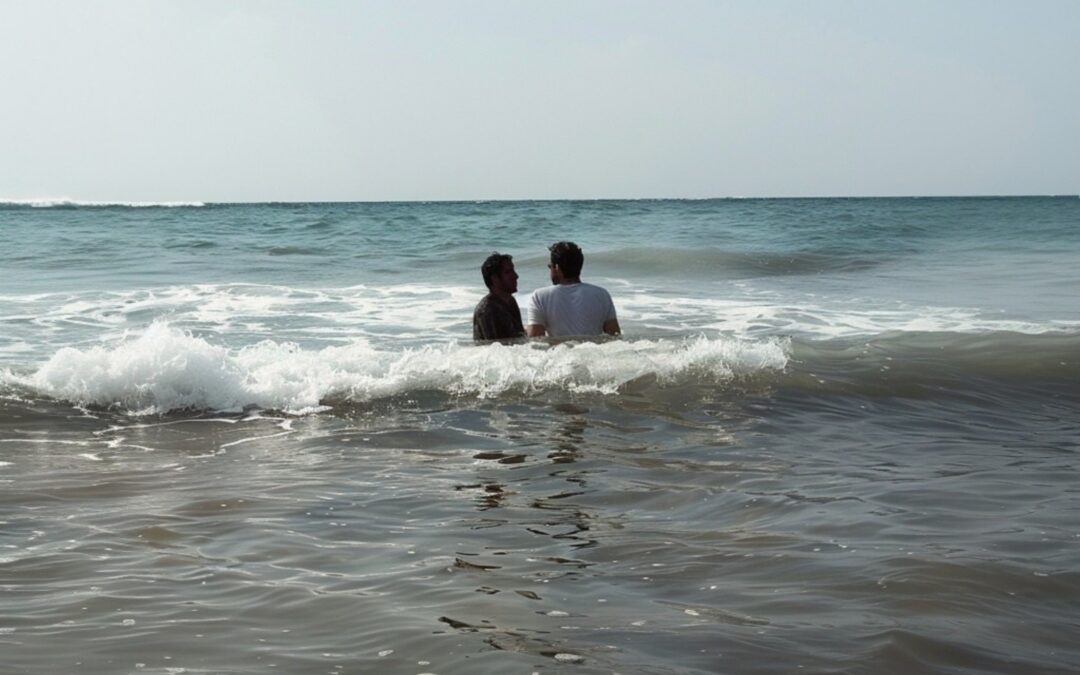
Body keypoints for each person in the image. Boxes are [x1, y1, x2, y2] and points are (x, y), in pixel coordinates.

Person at [526, 241, 620, 338]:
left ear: (556, 267)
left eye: (550, 266)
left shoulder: (540, 296)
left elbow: (535, 340)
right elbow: (615, 336)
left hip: (561, 352)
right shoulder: (601, 294)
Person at [473, 252, 526, 342]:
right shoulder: (487, 309)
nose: (516, 276)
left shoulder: (510, 301)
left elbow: (521, 338)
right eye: (508, 272)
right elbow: (496, 349)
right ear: (495, 278)